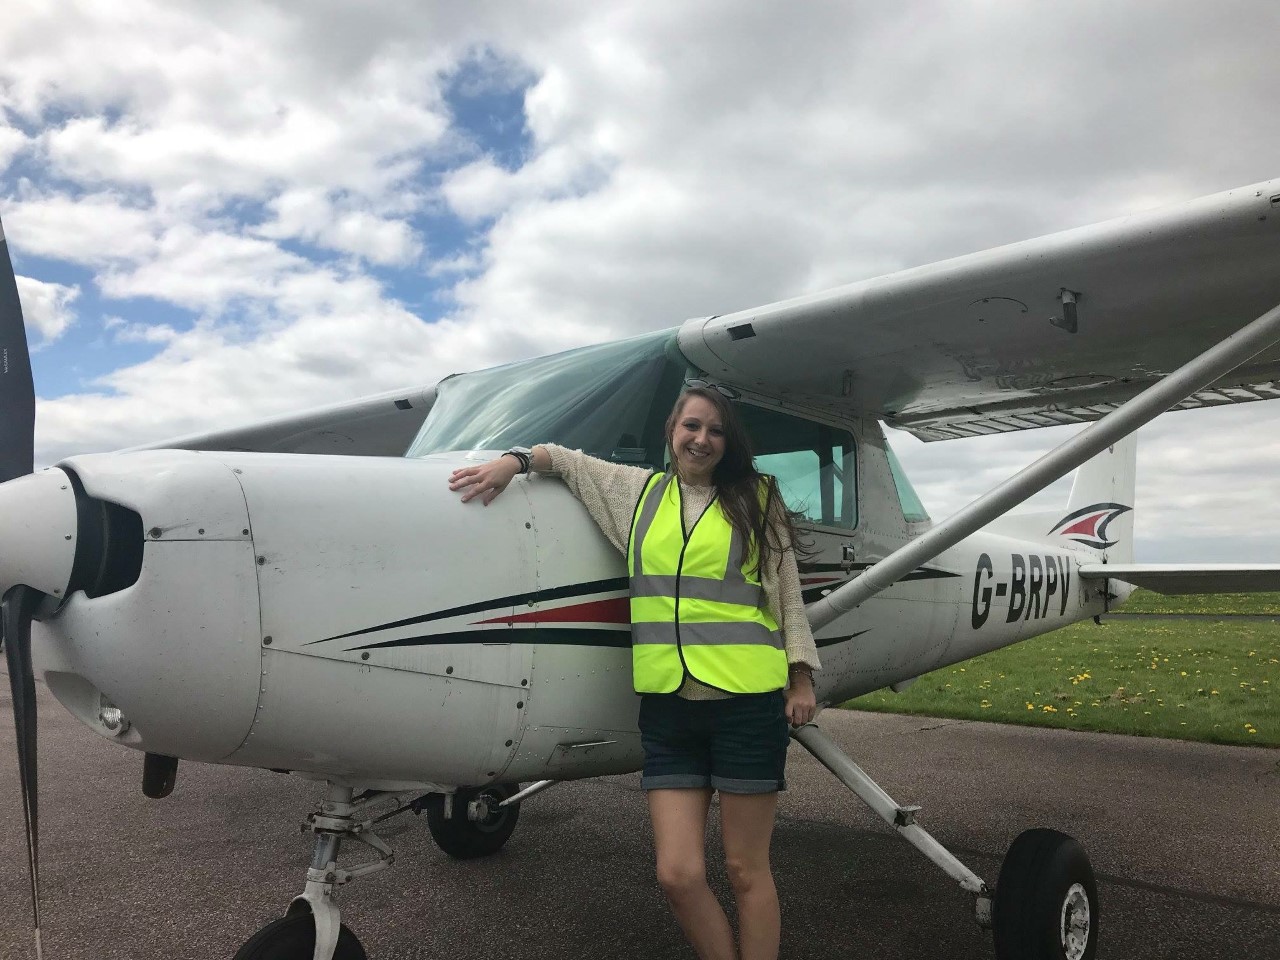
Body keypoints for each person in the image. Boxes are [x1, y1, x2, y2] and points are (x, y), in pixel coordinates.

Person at [448, 385, 820, 960]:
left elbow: (785, 594)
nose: (702, 439)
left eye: (716, 431)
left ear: (729, 442)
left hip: (745, 703)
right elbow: (566, 461)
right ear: (671, 431)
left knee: (747, 871)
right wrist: (511, 464)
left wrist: (801, 676)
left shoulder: (756, 498)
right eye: (692, 426)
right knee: (677, 874)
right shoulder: (636, 494)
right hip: (668, 706)